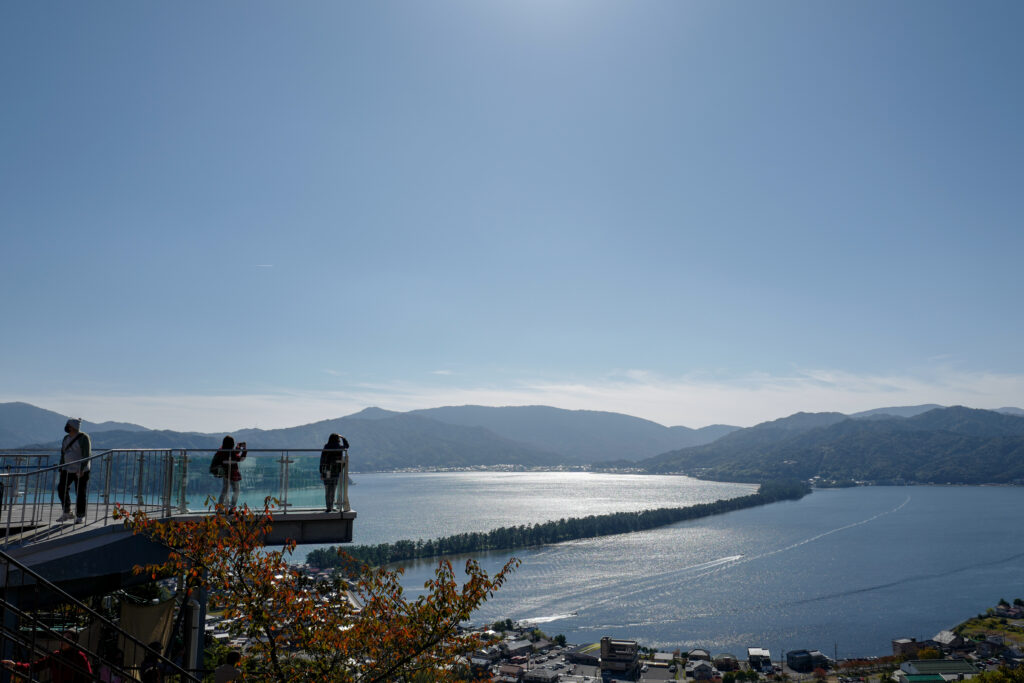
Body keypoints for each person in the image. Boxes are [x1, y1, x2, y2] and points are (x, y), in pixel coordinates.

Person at [2, 630, 93, 683]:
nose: (63, 640)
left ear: (74, 642)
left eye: (68, 638)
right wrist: (15, 665)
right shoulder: (56, 656)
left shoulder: (79, 656)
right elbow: (35, 666)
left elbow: (88, 677)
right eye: (63, 637)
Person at [57, 418, 91, 523]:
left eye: (69, 425)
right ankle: (67, 512)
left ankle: (80, 515)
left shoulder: (84, 438)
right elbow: (63, 453)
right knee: (61, 488)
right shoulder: (66, 438)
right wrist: (61, 467)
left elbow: (87, 454)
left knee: (80, 492)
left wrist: (81, 469)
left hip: (81, 470)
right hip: (67, 468)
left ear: (72, 426)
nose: (67, 427)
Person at [212, 436, 247, 509]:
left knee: (224, 490)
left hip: (225, 474)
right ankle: (232, 507)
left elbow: (234, 454)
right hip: (233, 474)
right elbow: (241, 458)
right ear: (232, 444)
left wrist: (238, 448)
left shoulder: (221, 451)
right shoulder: (232, 453)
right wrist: (244, 450)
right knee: (236, 491)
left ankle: (220, 508)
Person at [319, 433, 348, 513]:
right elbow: (347, 446)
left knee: (327, 489)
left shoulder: (326, 446)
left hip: (327, 471)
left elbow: (322, 459)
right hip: (335, 471)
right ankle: (331, 506)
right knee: (333, 489)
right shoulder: (338, 447)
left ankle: (328, 507)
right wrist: (343, 437)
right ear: (337, 439)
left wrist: (321, 471)